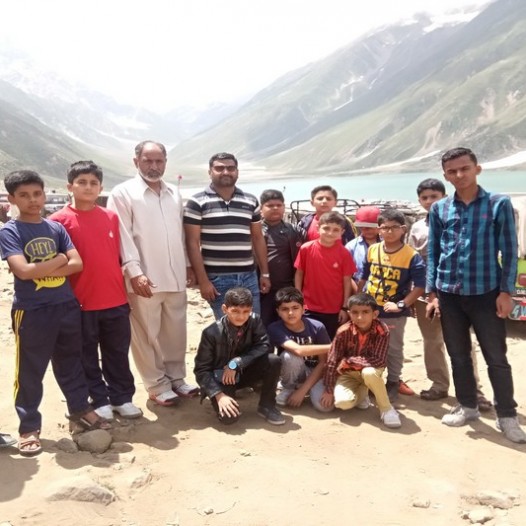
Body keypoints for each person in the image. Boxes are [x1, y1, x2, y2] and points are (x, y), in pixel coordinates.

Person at [0, 170, 110, 456]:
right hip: (32, 311)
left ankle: (80, 409)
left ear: (44, 194)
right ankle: (29, 427)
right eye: (24, 195)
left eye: (37, 193)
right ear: (12, 199)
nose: (33, 200)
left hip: (65, 305)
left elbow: (77, 264)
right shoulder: (10, 231)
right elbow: (23, 271)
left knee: (71, 362)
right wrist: (59, 258)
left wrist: (43, 267)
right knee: (30, 371)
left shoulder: (55, 228)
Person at [427, 147, 526, 443]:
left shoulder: (498, 204)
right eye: (452, 171)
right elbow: (434, 252)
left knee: (496, 357)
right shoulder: (440, 208)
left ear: (477, 169)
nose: (459, 175)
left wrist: (507, 292)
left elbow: (509, 250)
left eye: (465, 168)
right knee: (458, 355)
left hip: (487, 292)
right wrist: (432, 293)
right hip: (449, 293)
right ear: (445, 175)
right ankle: (467, 406)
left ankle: (506, 415)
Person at [107, 141, 198, 407]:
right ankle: (156, 385)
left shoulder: (174, 193)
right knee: (146, 334)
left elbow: (179, 234)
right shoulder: (123, 193)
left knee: (176, 332)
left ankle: (176, 378)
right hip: (144, 277)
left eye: (159, 161)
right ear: (136, 162)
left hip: (175, 274)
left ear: (166, 162)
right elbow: (122, 235)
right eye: (148, 160)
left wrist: (187, 265)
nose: (154, 166)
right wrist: (134, 272)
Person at [50, 161, 142, 420]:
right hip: (80, 302)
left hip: (115, 299)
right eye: (82, 182)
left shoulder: (111, 217)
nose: (88, 187)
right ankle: (98, 399)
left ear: (101, 187)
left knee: (117, 353)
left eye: (93, 183)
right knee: (86, 354)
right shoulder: (57, 222)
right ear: (70, 187)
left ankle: (122, 397)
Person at [409, 178, 491, 409]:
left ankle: (474, 391)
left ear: (444, 197)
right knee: (431, 341)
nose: (429, 201)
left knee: (463, 342)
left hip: (456, 292)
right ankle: (439, 385)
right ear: (419, 200)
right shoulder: (417, 228)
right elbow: (413, 262)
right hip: (425, 295)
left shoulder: (461, 221)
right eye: (424, 197)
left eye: (433, 196)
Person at [184, 153, 271, 320]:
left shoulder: (250, 201)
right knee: (227, 327)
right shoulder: (197, 202)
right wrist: (203, 281)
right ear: (210, 172)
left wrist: (265, 274)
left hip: (249, 276)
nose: (225, 172)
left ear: (237, 172)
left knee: (253, 324)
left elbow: (257, 238)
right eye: (219, 168)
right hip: (217, 279)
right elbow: (192, 242)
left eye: (230, 168)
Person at [358, 208, 426, 401]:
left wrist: (402, 304)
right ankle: (373, 380)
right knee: (369, 345)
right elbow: (364, 276)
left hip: (393, 311)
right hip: (370, 308)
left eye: (394, 227)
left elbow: (420, 286)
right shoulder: (373, 250)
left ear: (403, 229)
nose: (389, 231)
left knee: (393, 348)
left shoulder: (411, 255)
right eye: (385, 227)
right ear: (379, 229)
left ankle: (393, 382)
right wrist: (356, 298)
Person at [194, 287, 285, 425]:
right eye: (235, 311)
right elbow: (201, 370)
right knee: (229, 418)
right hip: (222, 379)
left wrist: (236, 363)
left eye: (246, 311)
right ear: (225, 309)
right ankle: (226, 395)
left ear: (251, 310)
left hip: (243, 371)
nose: (241, 316)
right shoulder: (211, 333)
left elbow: (263, 345)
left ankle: (267, 405)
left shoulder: (255, 321)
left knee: (273, 360)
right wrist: (218, 395)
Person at [321, 293, 401, 428]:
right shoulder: (343, 331)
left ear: (375, 314)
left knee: (369, 373)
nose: (360, 317)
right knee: (342, 403)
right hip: (348, 373)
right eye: (355, 312)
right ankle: (363, 392)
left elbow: (379, 360)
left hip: (370, 370)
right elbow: (332, 360)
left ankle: (387, 409)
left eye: (365, 312)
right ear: (349, 314)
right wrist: (329, 389)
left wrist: (349, 361)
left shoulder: (382, 330)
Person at [267, 287, 332, 411]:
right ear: (278, 312)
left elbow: (323, 362)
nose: (290, 313)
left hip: (316, 372)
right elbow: (298, 350)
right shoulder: (275, 328)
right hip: (294, 369)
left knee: (324, 407)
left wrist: (302, 391)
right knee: (290, 356)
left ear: (303, 309)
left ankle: (303, 388)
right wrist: (334, 346)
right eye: (285, 309)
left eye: (295, 308)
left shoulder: (317, 327)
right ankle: (289, 388)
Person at [294, 211, 357, 338]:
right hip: (308, 306)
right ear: (318, 228)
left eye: (335, 230)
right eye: (326, 228)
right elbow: (299, 274)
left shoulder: (344, 254)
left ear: (342, 232)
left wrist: (344, 308)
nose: (330, 233)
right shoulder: (306, 248)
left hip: (333, 309)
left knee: (328, 342)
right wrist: (298, 299)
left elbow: (347, 281)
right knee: (308, 341)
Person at [259, 189, 305, 326]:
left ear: (284, 207)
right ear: (261, 209)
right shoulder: (255, 231)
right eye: (270, 205)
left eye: (279, 205)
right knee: (264, 325)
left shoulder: (295, 231)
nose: (275, 208)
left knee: (288, 325)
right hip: (262, 290)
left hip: (288, 289)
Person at [345, 206, 381, 284]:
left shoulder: (389, 244)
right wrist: (357, 290)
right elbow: (347, 274)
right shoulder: (351, 247)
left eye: (370, 227)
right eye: (362, 227)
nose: (366, 230)